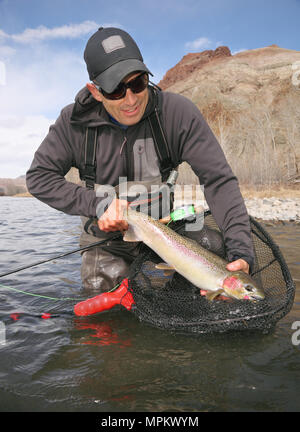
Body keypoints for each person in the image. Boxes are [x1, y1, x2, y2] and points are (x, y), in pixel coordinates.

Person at [26, 27, 254, 293]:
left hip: (166, 234)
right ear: (95, 91)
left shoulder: (178, 115)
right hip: (106, 241)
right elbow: (39, 178)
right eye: (115, 91)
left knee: (216, 248)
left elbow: (219, 181)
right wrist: (98, 204)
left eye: (138, 83)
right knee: (105, 315)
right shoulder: (73, 124)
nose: (131, 100)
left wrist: (242, 254)